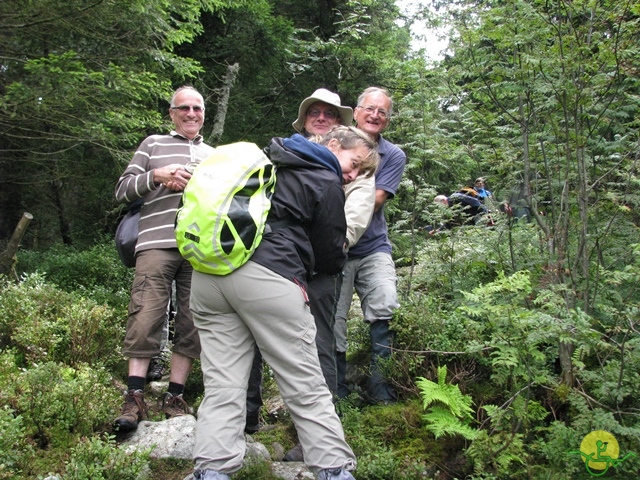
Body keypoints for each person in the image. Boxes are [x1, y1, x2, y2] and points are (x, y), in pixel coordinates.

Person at [190, 126, 379, 480]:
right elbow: (329, 254)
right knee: (304, 382)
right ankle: (334, 470)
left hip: (209, 276)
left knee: (222, 383)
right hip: (268, 278)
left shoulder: (266, 160)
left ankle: (212, 469)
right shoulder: (323, 179)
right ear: (333, 145)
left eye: (360, 173)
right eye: (354, 164)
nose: (352, 175)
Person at [244, 89, 373, 440]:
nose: (321, 118)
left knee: (318, 344)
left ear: (339, 129)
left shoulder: (355, 164)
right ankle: (247, 419)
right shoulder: (290, 155)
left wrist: (326, 252)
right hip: (281, 262)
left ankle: (313, 434)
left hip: (320, 267)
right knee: (254, 337)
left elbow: (353, 221)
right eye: (314, 112)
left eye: (329, 114)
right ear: (304, 121)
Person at [113, 86, 215, 432]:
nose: (191, 114)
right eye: (183, 108)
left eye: (197, 108)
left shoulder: (216, 154)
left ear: (204, 113)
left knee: (192, 321)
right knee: (146, 314)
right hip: (155, 242)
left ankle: (175, 396)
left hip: (199, 249)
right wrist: (157, 176)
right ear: (172, 113)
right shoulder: (152, 144)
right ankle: (134, 397)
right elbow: (122, 189)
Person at [334, 87, 406, 404]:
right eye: (370, 109)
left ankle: (382, 390)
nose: (375, 115)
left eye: (382, 112)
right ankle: (336, 393)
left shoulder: (393, 156)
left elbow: (372, 202)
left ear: (387, 121)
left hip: (373, 245)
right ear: (357, 111)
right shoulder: (334, 142)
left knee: (385, 304)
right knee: (333, 319)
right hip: (334, 250)